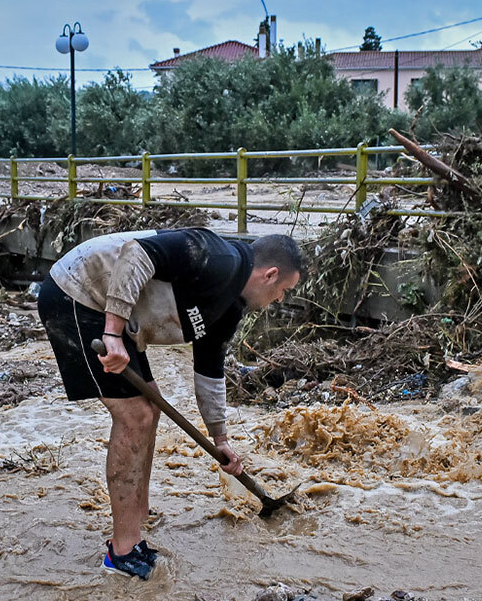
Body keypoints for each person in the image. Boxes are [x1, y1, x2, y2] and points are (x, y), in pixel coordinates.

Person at [36, 228, 303, 580]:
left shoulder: (228, 308)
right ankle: (122, 552)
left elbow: (209, 372)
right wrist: (113, 333)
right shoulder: (217, 257)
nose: (280, 299)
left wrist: (220, 438)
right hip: (78, 293)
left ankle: (135, 514)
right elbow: (136, 254)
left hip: (118, 317)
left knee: (152, 406)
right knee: (135, 417)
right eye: (283, 291)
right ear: (270, 275)